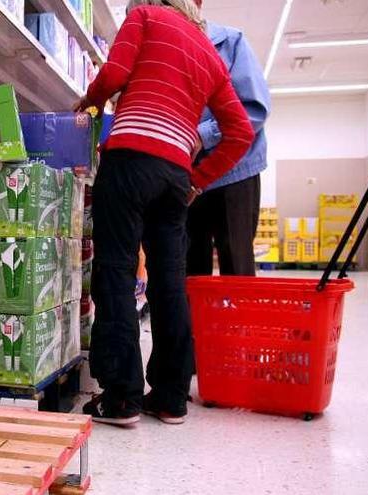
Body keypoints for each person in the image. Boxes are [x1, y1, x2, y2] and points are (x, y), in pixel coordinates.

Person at [74, 0, 253, 426]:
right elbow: (241, 131)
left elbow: (115, 75)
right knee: (170, 281)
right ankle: (171, 397)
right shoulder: (209, 51)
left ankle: (121, 398)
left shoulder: (145, 17)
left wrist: (87, 102)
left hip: (131, 157)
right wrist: (198, 179)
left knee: (115, 271)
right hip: (175, 175)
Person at [187, 0, 271, 276]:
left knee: (236, 263)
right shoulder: (167, 48)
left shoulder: (230, 43)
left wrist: (203, 134)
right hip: (187, 174)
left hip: (236, 173)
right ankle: (197, 321)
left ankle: (238, 321)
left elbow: (254, 109)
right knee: (190, 268)